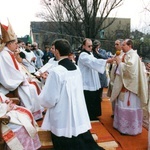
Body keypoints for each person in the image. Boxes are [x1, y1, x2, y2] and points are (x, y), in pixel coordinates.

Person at [39, 39, 104, 150]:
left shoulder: (56, 71)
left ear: (58, 52)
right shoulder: (76, 68)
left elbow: (49, 99)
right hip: (77, 112)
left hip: (62, 116)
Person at [0, 20, 43, 120]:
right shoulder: (4, 55)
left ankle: (36, 112)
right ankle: (31, 114)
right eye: (15, 43)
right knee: (31, 88)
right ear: (9, 43)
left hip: (17, 81)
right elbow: (8, 74)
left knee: (34, 84)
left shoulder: (9, 53)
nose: (17, 45)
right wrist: (24, 79)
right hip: (11, 85)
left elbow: (17, 69)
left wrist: (26, 77)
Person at [110, 39, 148, 135]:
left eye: (123, 45)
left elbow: (130, 71)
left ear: (130, 45)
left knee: (128, 105)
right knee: (121, 105)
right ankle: (121, 126)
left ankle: (131, 129)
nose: (121, 47)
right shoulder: (124, 54)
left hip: (130, 88)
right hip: (122, 85)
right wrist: (116, 63)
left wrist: (119, 63)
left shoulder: (134, 56)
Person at [77, 38, 114, 121]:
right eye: (88, 46)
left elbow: (94, 61)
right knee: (89, 98)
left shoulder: (90, 54)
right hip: (87, 81)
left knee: (94, 97)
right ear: (83, 46)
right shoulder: (83, 55)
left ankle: (94, 114)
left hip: (93, 80)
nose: (90, 48)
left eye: (91, 46)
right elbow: (93, 62)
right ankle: (89, 115)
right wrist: (106, 61)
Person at [107, 39, 124, 118]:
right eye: (115, 44)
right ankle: (114, 112)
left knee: (118, 97)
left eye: (117, 44)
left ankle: (118, 114)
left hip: (119, 80)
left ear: (121, 45)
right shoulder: (116, 54)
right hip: (113, 78)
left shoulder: (124, 55)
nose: (115, 46)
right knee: (113, 97)